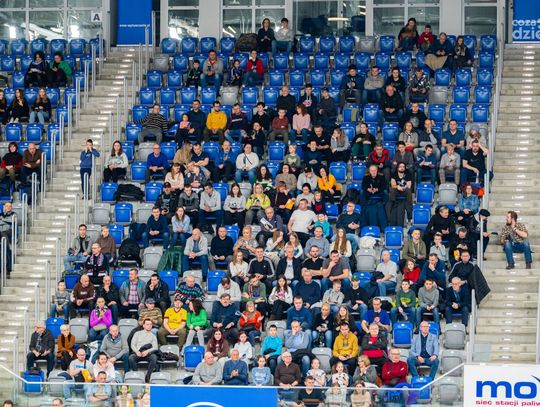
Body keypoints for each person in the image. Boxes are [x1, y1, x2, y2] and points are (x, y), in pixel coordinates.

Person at [361, 164, 388, 230]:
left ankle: (384, 203)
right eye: (372, 170)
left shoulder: (381, 176)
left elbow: (384, 186)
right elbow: (363, 186)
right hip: (369, 192)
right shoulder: (366, 176)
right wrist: (368, 189)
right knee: (361, 192)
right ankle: (364, 206)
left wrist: (377, 189)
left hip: (379, 192)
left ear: (377, 170)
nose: (373, 172)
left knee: (386, 192)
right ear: (369, 171)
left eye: (375, 170)